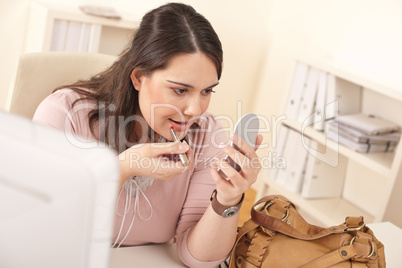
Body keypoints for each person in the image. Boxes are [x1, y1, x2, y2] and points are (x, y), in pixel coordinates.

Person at [33, 3, 262, 267]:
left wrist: (227, 199)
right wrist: (122, 168)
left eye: (207, 91)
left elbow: (200, 258)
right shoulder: (66, 114)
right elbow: (44, 229)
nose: (194, 110)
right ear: (139, 77)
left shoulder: (205, 132)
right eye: (179, 90)